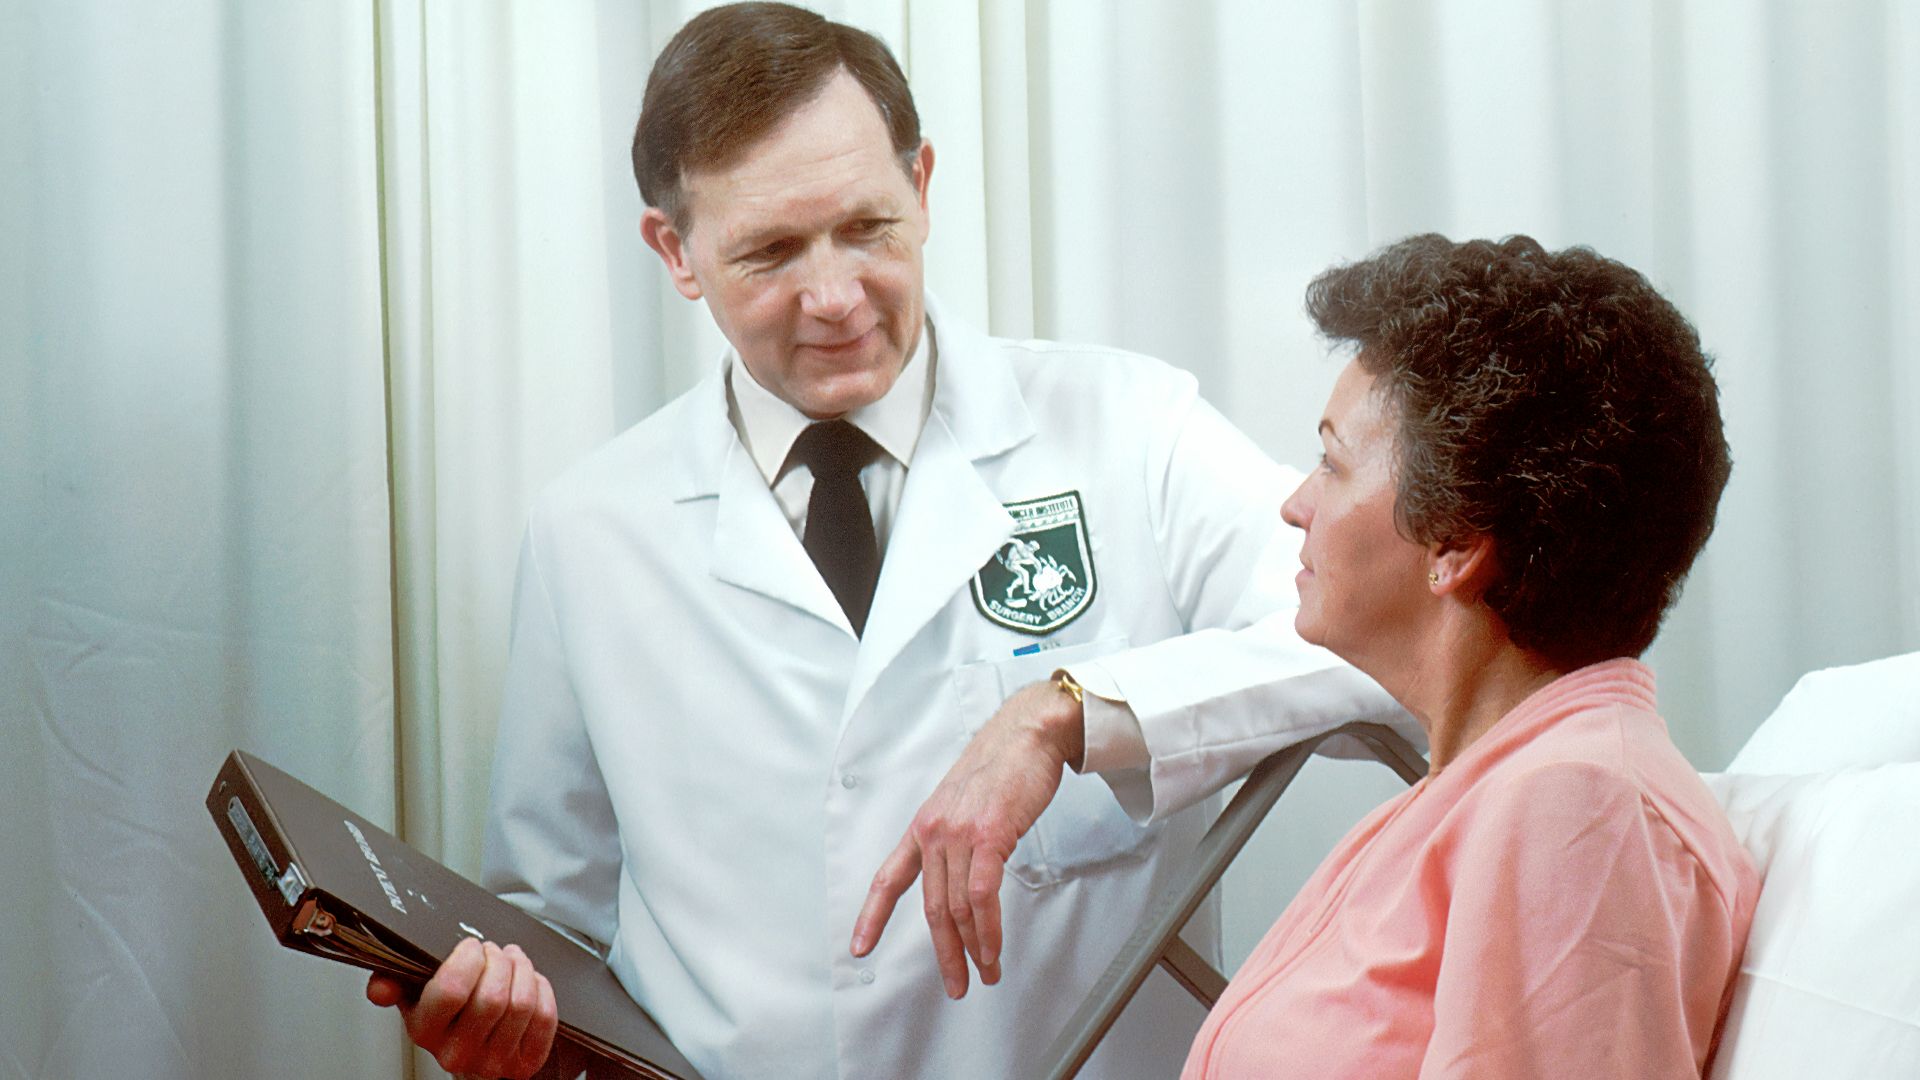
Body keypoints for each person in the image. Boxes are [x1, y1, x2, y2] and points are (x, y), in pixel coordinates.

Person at [365, 5, 1409, 1079]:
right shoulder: (590, 533)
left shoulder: (1131, 428)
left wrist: (1070, 715)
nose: (834, 298)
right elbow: (561, 925)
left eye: (867, 228)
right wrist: (513, 1030)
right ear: (674, 249)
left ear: (922, 184)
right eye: (770, 250)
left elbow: (1380, 642)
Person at [1180, 234, 1761, 1078]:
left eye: (1332, 463)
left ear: (1453, 540)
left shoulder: (1579, 805)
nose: (1295, 504)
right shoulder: (1475, 794)